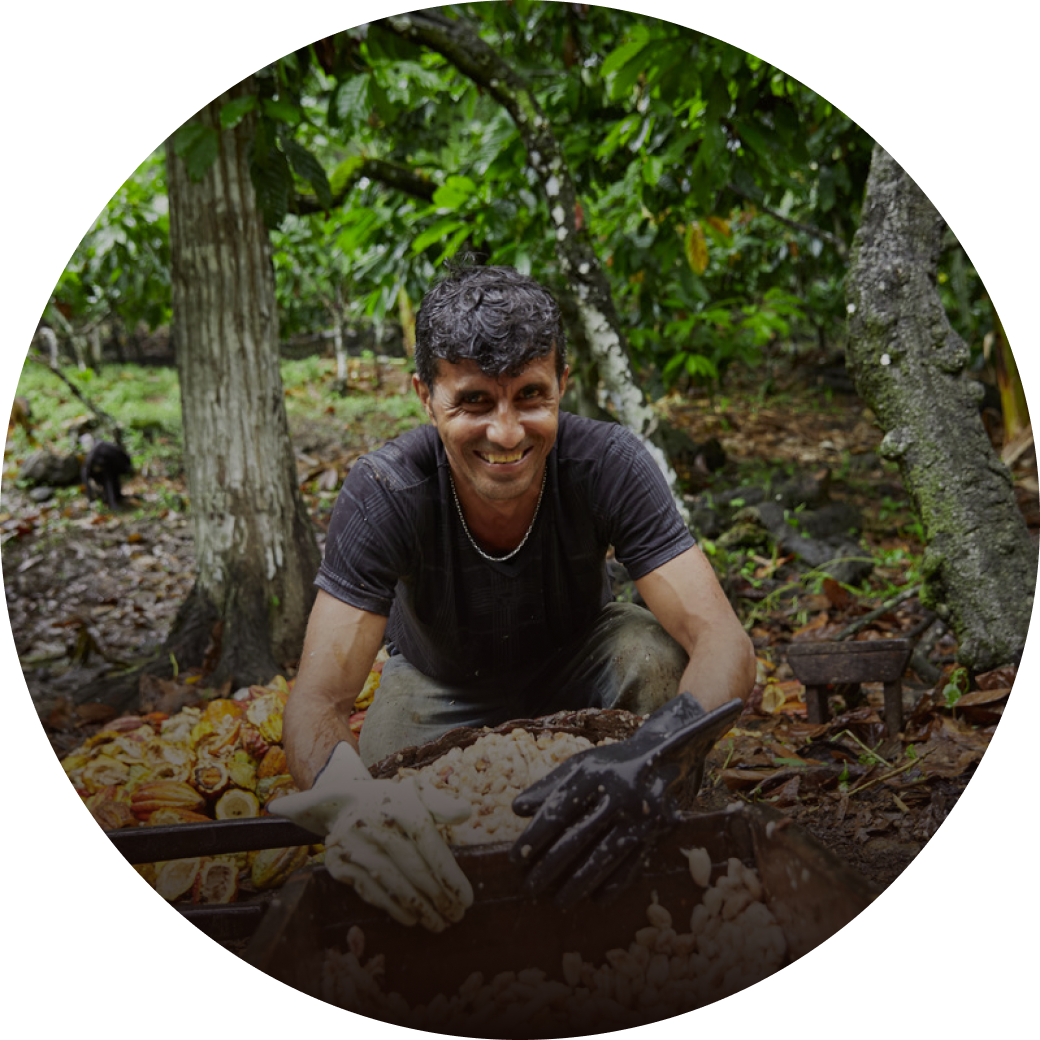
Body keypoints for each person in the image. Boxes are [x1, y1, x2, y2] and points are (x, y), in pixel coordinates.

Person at [276, 264, 755, 930]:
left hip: (580, 659)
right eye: (474, 401)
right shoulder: (386, 491)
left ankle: (648, 865)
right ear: (425, 395)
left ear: (563, 384)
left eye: (530, 395)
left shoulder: (608, 463)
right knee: (385, 802)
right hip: (438, 681)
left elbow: (722, 639)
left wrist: (655, 756)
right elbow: (318, 698)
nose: (506, 434)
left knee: (653, 657)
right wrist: (347, 800)